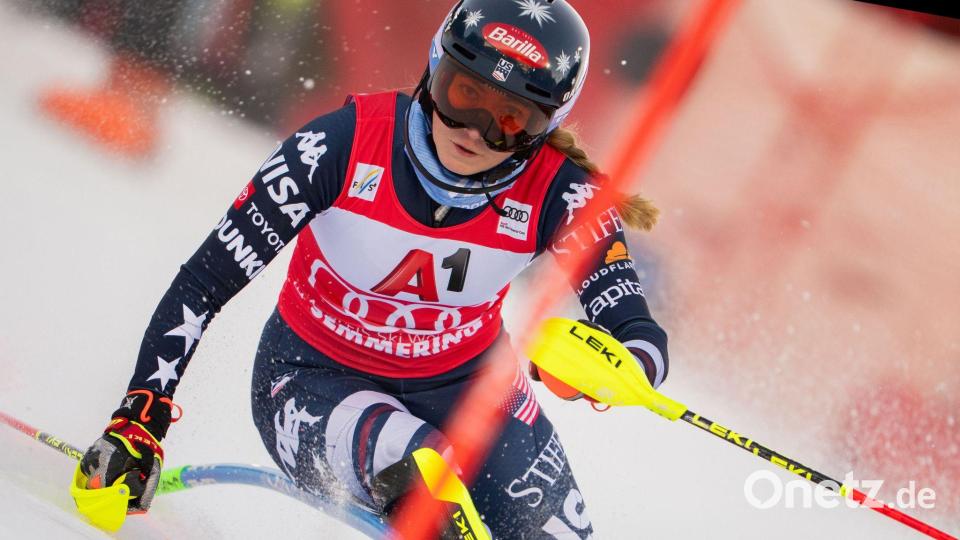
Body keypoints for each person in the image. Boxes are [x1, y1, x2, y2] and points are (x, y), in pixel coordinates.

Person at [73, 0, 670, 537]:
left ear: (547, 124)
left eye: (509, 120)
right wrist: (139, 416)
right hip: (311, 376)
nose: (472, 131)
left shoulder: (564, 195)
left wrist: (611, 368)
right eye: (464, 94)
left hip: (468, 387)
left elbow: (638, 333)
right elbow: (206, 281)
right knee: (425, 477)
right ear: (434, 69)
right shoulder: (340, 145)